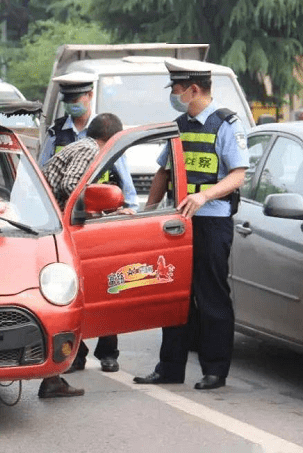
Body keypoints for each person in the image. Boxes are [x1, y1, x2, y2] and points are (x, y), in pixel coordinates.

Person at [133, 59, 249, 390]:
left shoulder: (227, 125)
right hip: (178, 224)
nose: (174, 94)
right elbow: (163, 173)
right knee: (174, 294)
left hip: (212, 223)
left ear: (193, 89)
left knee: (211, 295)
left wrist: (204, 196)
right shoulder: (177, 125)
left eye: (177, 89)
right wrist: (147, 211)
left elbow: (238, 174)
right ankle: (170, 368)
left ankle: (215, 369)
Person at [40, 72, 138, 375]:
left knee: (108, 286)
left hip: (100, 224)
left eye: (77, 98)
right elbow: (60, 180)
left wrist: (125, 210)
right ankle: (76, 353)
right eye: (67, 99)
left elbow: (127, 185)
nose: (72, 104)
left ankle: (108, 351)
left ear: (89, 97)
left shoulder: (105, 139)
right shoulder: (60, 134)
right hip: (69, 225)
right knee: (73, 290)